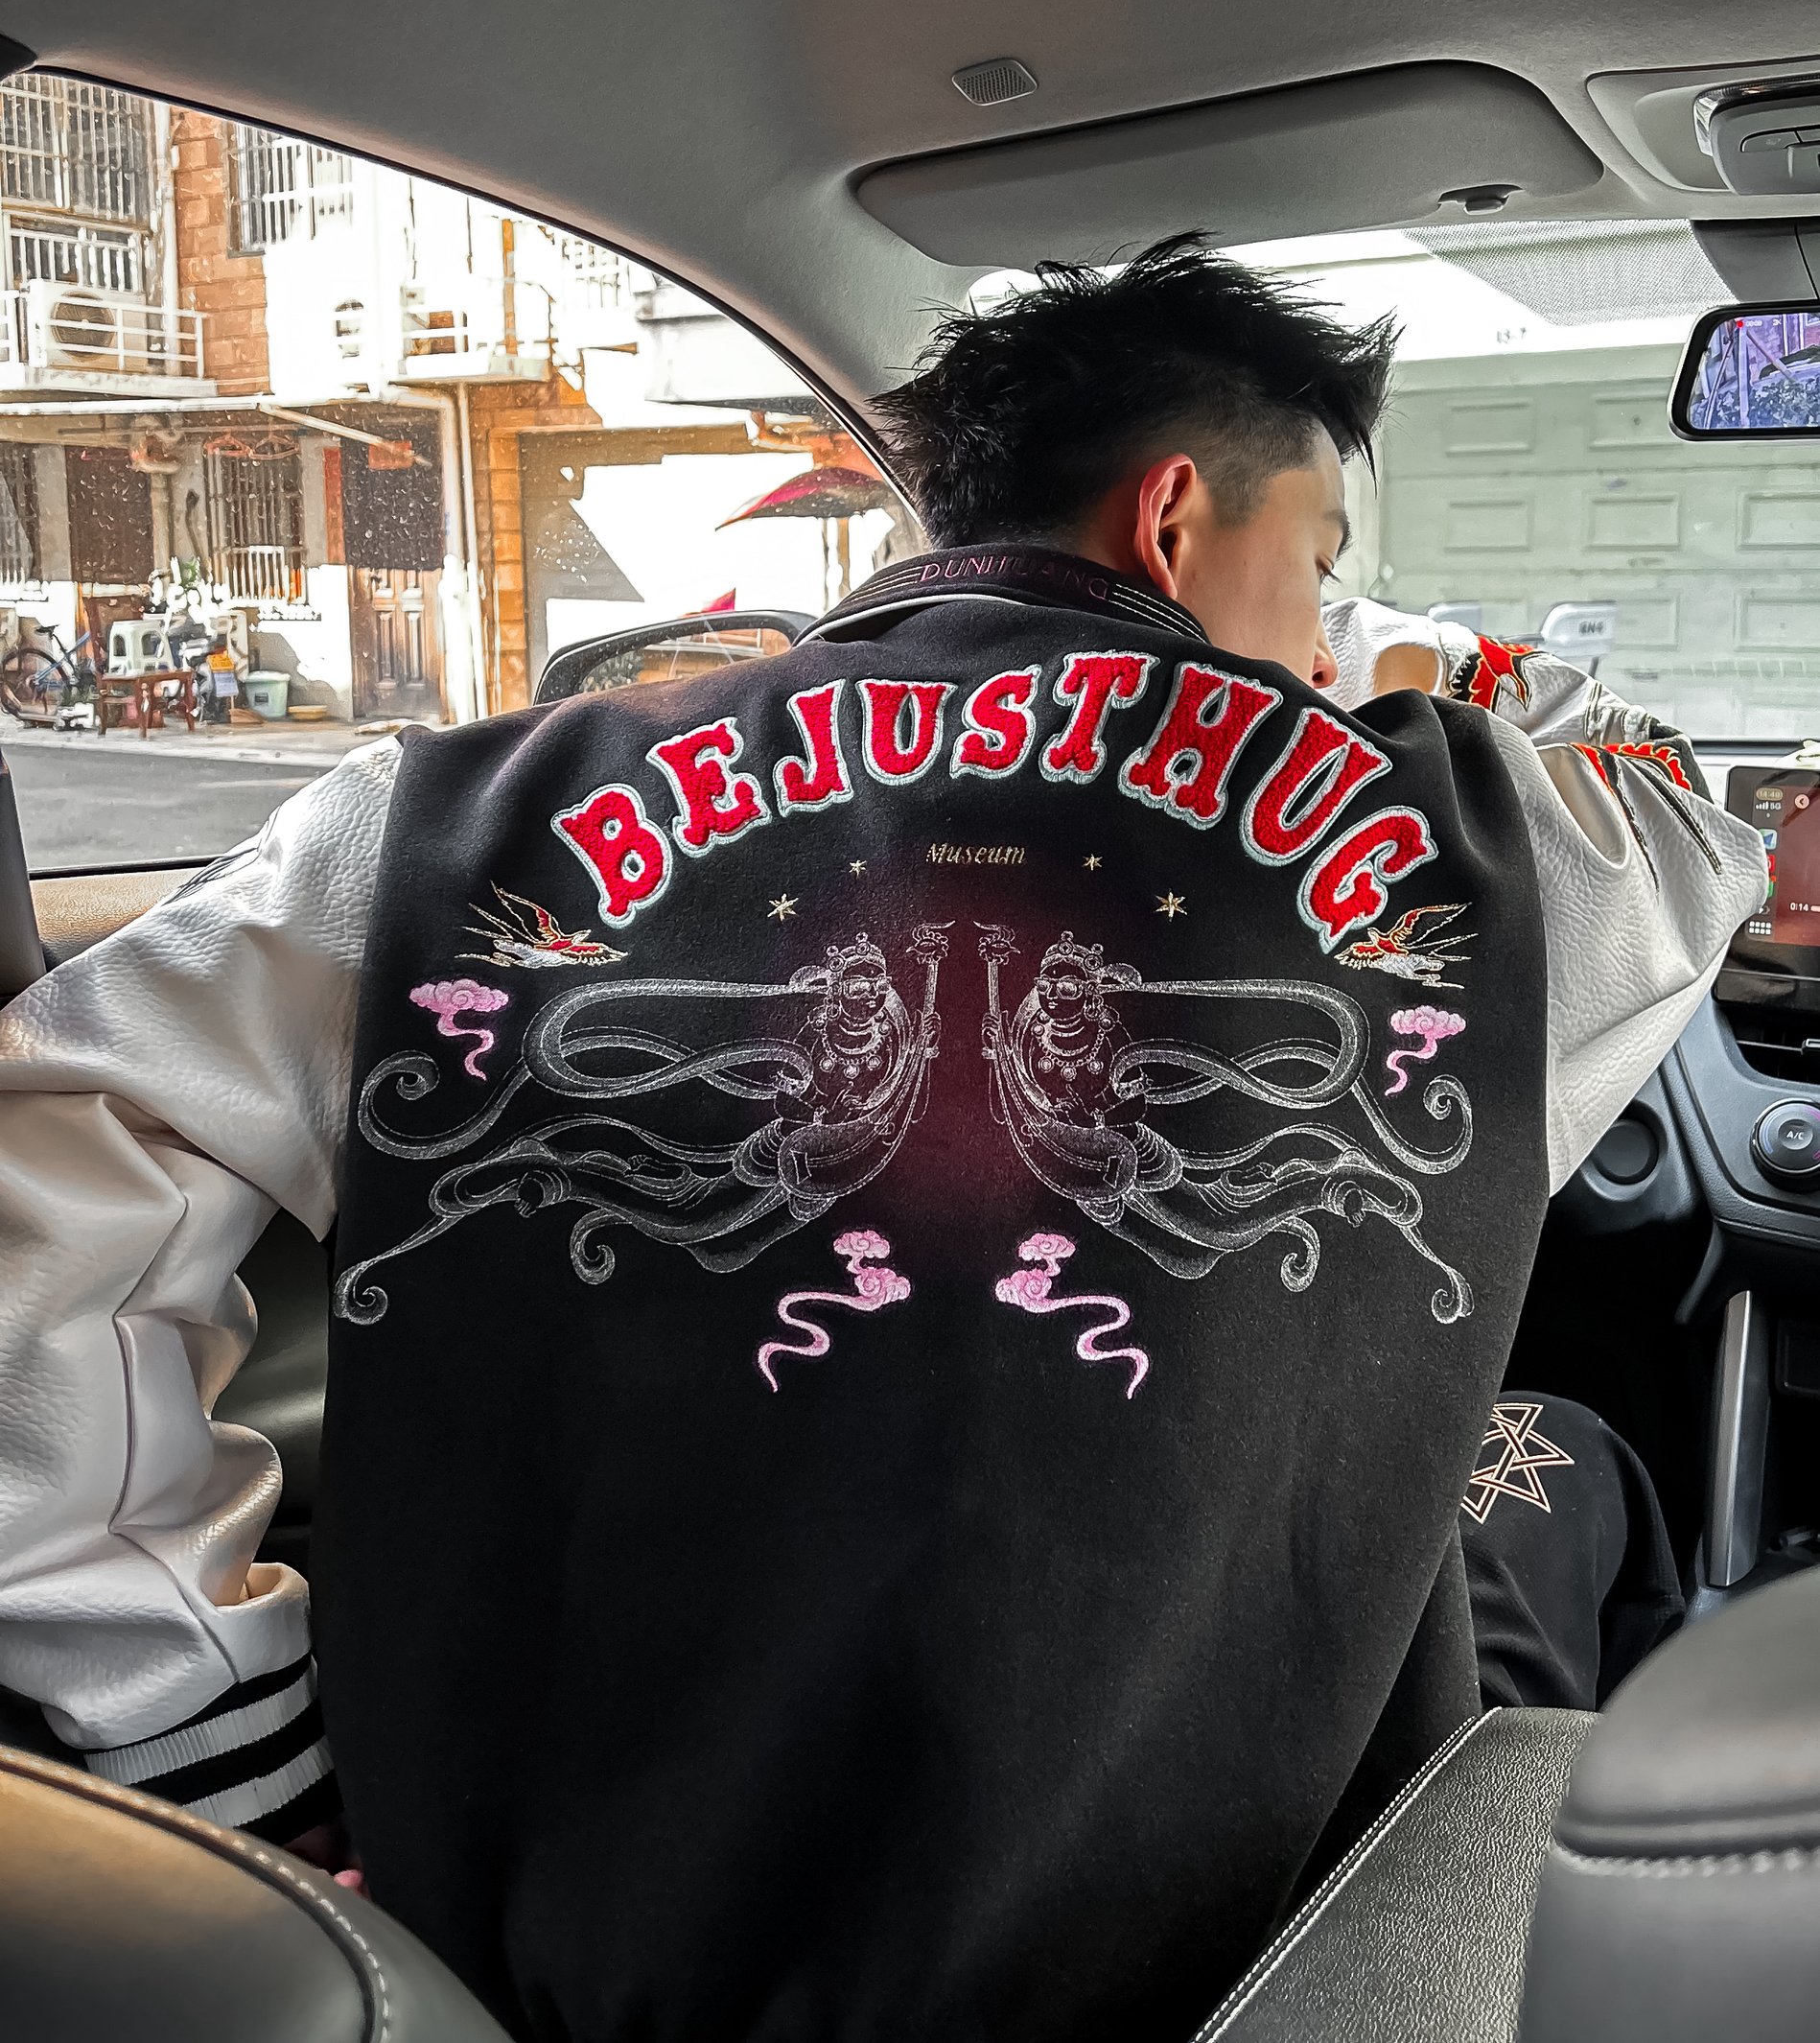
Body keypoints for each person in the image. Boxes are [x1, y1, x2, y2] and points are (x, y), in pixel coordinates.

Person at [0, 238, 1766, 2039]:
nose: (1319, 631)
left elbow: (50, 1166)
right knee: (1563, 1463)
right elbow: (1699, 830)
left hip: (548, 1974)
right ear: (1170, 517)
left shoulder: (434, 820)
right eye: (1314, 560)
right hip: (1249, 1970)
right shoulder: (1491, 856)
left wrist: (209, 1729)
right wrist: (1419, 670)